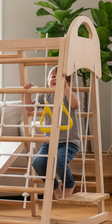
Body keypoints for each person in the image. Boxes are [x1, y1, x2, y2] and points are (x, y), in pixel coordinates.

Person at [23, 66, 80, 199]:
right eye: (52, 76)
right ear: (48, 80)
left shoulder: (67, 94)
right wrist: (27, 93)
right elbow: (29, 109)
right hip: (49, 141)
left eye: (59, 76)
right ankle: (55, 187)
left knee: (59, 162)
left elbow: (76, 105)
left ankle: (69, 183)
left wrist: (65, 88)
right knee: (37, 163)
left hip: (69, 141)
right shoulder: (45, 95)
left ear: (68, 83)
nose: (55, 78)